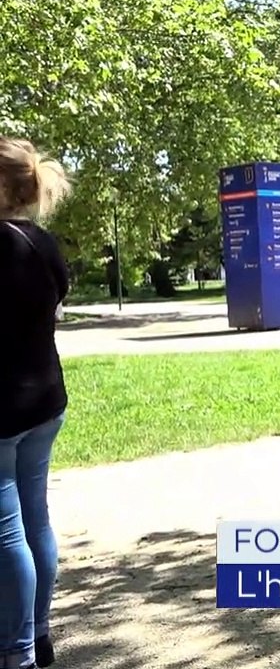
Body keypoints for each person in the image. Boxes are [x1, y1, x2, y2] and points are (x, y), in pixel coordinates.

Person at [1, 138, 72, 669]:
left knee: (8, 537)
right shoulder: (43, 242)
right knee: (36, 522)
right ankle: (39, 634)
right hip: (45, 400)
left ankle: (18, 651)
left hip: (4, 411)